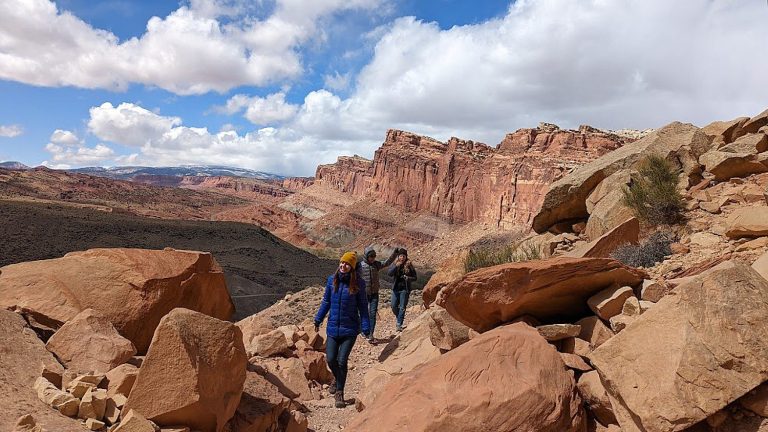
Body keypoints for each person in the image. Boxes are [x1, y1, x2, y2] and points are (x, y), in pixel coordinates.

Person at [314, 251, 371, 408]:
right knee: (331, 359)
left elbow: (363, 307)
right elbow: (326, 301)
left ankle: (340, 392)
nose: (343, 266)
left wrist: (366, 326)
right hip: (333, 328)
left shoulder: (358, 284)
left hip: (350, 329)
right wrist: (318, 318)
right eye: (341, 262)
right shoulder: (332, 281)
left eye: (346, 264)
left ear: (352, 267)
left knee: (341, 360)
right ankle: (336, 379)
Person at [359, 246, 398, 343]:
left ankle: (370, 334)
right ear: (366, 256)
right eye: (371, 256)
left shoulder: (376, 264)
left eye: (374, 256)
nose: (373, 258)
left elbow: (387, 262)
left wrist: (395, 254)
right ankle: (364, 331)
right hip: (364, 294)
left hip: (374, 294)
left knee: (372, 313)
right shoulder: (360, 266)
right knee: (364, 313)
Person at [387, 248, 417, 332]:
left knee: (402, 307)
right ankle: (399, 317)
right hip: (395, 288)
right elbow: (389, 273)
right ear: (398, 256)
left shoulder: (409, 265)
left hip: (405, 289)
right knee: (393, 306)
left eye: (403, 256)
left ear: (406, 256)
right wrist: (396, 267)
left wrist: (408, 278)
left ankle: (399, 324)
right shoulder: (395, 264)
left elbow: (415, 277)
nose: (402, 258)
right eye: (400, 256)